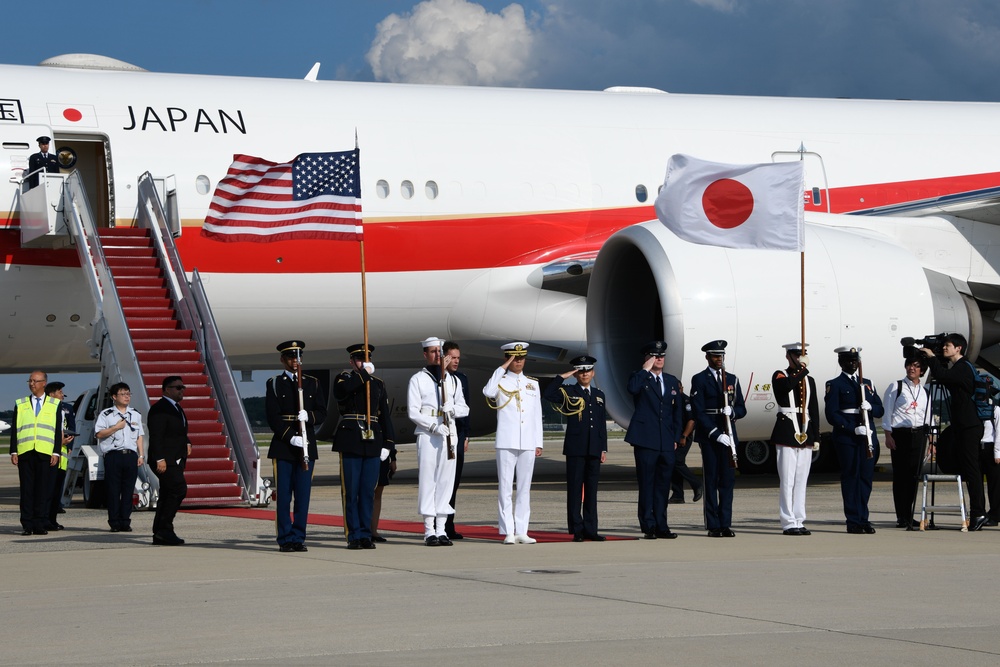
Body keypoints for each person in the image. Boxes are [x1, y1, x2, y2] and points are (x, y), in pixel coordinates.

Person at [921, 333, 989, 531]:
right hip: (964, 425)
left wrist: (932, 359)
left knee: (972, 469)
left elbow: (942, 377)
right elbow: (945, 379)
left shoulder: (963, 368)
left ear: (958, 348)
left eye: (947, 345)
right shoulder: (959, 368)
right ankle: (978, 512)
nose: (944, 348)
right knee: (969, 468)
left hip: (969, 426)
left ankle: (979, 513)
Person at [332, 343, 396, 550]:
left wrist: (388, 444)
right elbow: (342, 392)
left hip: (373, 439)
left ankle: (366, 533)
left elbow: (385, 417)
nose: (364, 362)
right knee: (351, 491)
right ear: (352, 361)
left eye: (366, 359)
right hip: (351, 438)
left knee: (368, 490)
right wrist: (364, 375)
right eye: (359, 359)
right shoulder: (345, 378)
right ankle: (354, 535)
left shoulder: (378, 384)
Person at [408, 337, 469, 546]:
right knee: (428, 481)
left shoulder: (453, 380)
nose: (437, 355)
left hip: (449, 432)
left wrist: (453, 409)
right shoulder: (418, 379)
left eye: (439, 351)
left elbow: (465, 408)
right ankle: (428, 530)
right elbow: (413, 411)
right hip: (428, 433)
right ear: (425, 354)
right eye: (433, 352)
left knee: (446, 481)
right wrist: (432, 425)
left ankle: (442, 529)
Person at [266, 341, 327, 552]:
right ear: (282, 360)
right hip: (284, 445)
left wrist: (308, 417)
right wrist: (291, 437)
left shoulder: (312, 383)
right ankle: (285, 538)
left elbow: (321, 412)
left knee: (303, 496)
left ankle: (298, 537)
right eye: (290, 357)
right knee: (284, 497)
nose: (294, 361)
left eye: (297, 357)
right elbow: (273, 417)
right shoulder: (274, 383)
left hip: (306, 445)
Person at [483, 342, 544, 544]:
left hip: (527, 441)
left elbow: (536, 415)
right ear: (507, 359)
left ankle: (522, 530)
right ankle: (508, 530)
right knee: (506, 488)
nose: (518, 361)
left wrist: (538, 442)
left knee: (525, 488)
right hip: (507, 440)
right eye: (513, 358)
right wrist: (502, 368)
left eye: (521, 357)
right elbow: (488, 392)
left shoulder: (532, 384)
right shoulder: (500, 381)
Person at [544, 355, 608, 541]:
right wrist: (562, 377)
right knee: (574, 490)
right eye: (581, 371)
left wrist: (603, 448)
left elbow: (601, 424)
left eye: (587, 370)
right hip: (576, 449)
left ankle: (591, 529)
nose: (585, 374)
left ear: (593, 372)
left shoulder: (599, 395)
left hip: (594, 448)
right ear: (576, 373)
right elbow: (548, 394)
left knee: (591, 491)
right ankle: (577, 529)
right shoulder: (568, 391)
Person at [624, 340, 683, 540]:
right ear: (648, 358)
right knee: (647, 484)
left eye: (662, 356)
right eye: (655, 356)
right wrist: (644, 370)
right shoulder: (639, 378)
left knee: (663, 486)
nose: (659, 359)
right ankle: (648, 525)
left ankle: (662, 525)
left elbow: (677, 412)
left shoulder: (671, 381)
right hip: (645, 440)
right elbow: (632, 389)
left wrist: (676, 437)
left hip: (666, 441)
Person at [825, 346, 884, 534]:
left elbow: (880, 409)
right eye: (849, 361)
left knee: (866, 478)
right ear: (841, 362)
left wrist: (871, 407)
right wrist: (852, 428)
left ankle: (863, 518)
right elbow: (832, 414)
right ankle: (853, 520)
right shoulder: (835, 384)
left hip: (867, 435)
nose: (853, 364)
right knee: (851, 477)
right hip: (848, 438)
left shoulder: (867, 384)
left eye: (855, 361)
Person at [690, 340, 747, 538]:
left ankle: (725, 523)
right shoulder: (699, 379)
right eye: (715, 356)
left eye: (721, 356)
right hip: (710, 436)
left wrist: (732, 413)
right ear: (707, 357)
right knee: (711, 481)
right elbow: (698, 411)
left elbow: (742, 408)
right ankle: (713, 524)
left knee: (727, 482)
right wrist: (715, 433)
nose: (718, 359)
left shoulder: (732, 379)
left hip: (729, 435)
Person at [771, 343, 820, 536]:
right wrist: (802, 370)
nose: (800, 358)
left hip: (805, 429)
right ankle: (787, 520)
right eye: (796, 355)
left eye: (803, 355)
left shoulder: (810, 380)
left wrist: (816, 435)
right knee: (788, 478)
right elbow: (786, 387)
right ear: (788, 356)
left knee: (801, 479)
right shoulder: (780, 375)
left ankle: (799, 519)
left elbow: (814, 408)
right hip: (787, 429)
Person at [10, 371, 63, 536]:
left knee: (43, 490)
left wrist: (56, 452)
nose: (32, 384)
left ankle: (39, 523)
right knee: (27, 490)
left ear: (44, 383)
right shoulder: (21, 403)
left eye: (35, 381)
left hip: (45, 452)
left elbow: (56, 430)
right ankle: (27, 524)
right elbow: (15, 429)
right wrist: (13, 450)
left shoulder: (55, 404)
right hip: (25, 452)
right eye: (30, 381)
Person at [882, 357, 930, 529]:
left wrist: (931, 440)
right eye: (910, 365)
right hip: (900, 434)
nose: (912, 368)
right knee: (901, 475)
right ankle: (901, 515)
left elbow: (928, 415)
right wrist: (888, 434)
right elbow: (887, 412)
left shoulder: (924, 391)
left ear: (922, 371)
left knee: (913, 475)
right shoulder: (896, 387)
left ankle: (909, 513)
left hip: (919, 434)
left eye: (916, 366)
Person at [95, 382, 145, 533]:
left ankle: (125, 521)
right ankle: (114, 522)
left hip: (130, 456)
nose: (127, 397)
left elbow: (139, 436)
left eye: (128, 394)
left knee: (129, 490)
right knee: (113, 490)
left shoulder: (135, 414)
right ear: (114, 397)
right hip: (113, 455)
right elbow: (98, 434)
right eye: (123, 394)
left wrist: (141, 454)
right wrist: (115, 427)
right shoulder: (106, 414)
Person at [147, 377, 189, 545]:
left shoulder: (176, 408)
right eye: (178, 387)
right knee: (178, 489)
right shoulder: (160, 409)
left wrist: (187, 442)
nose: (182, 390)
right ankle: (165, 529)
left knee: (167, 493)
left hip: (175, 458)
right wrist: (159, 458)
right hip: (165, 459)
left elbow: (177, 431)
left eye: (183, 387)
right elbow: (156, 436)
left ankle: (160, 532)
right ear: (166, 390)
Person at [443, 341, 471, 541]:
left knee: (454, 482)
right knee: (441, 481)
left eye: (458, 358)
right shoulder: (434, 377)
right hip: (441, 432)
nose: (456, 361)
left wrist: (467, 435)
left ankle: (449, 524)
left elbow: (466, 407)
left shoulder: (461, 378)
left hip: (458, 434)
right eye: (452, 357)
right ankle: (438, 524)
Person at [44, 381, 76, 531]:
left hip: (62, 456)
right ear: (51, 394)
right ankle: (44, 519)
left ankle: (52, 519)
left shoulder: (66, 409)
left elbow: (71, 428)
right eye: (60, 392)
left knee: (57, 489)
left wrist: (68, 445)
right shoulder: (45, 409)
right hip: (49, 453)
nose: (62, 395)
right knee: (47, 490)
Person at [669, 382, 701, 505]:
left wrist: (684, 436)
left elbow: (691, 420)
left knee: (677, 461)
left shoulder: (685, 401)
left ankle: (696, 484)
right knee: (674, 464)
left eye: (677, 389)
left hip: (684, 437)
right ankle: (677, 495)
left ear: (681, 388)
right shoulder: (673, 401)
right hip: (674, 437)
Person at [980, 405, 1000, 526]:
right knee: (977, 483)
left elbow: (999, 431)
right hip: (978, 447)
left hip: (991, 447)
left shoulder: (995, 409)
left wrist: (997, 452)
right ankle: (980, 512)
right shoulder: (974, 408)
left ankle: (995, 514)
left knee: (994, 484)